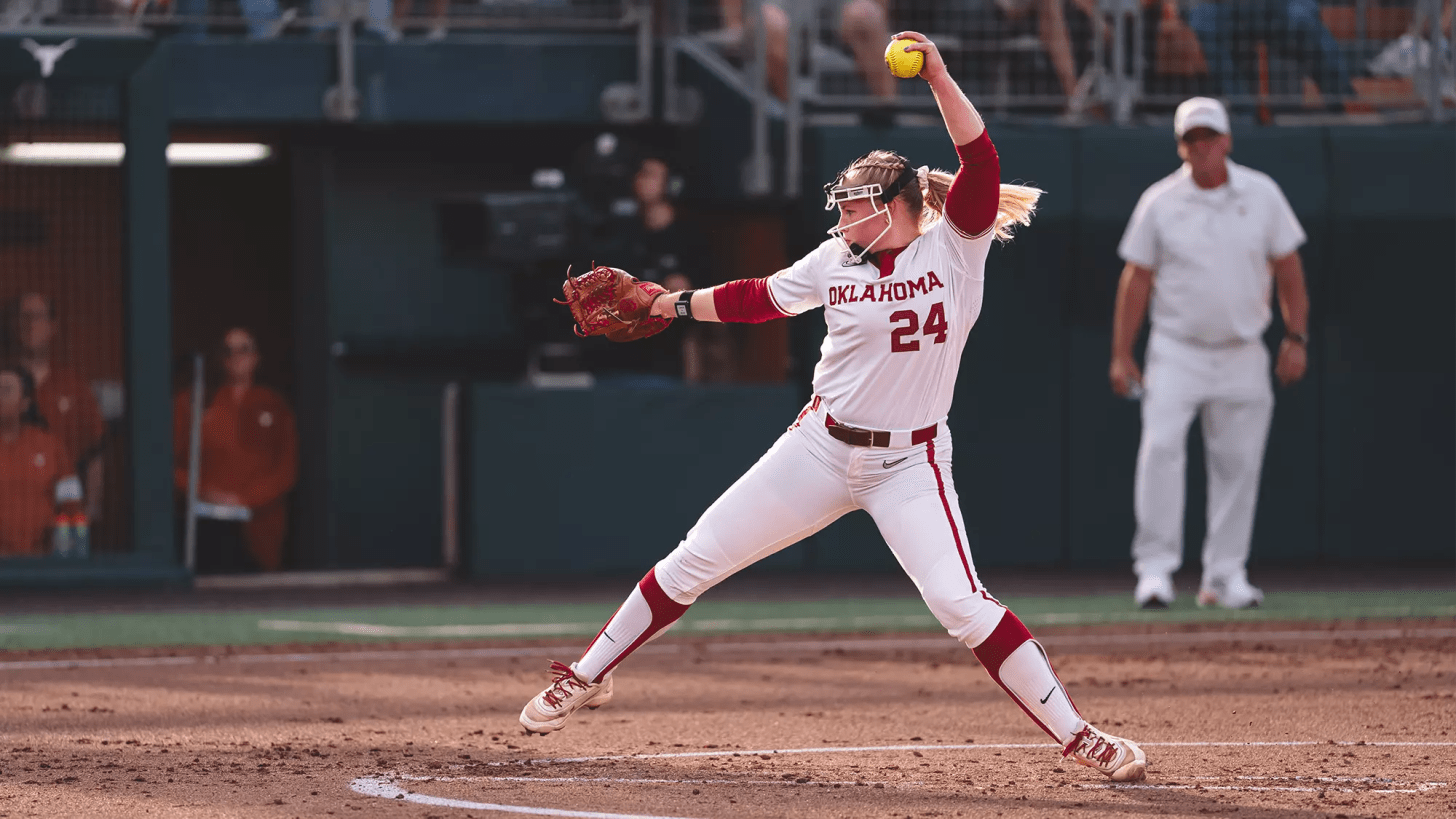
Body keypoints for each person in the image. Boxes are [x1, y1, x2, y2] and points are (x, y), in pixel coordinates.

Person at [519, 32, 1147, 784]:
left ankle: (1079, 735)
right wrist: (671, 303)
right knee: (695, 557)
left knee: (962, 604)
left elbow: (980, 162)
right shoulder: (834, 260)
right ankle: (588, 673)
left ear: (902, 208)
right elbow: (760, 298)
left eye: (857, 207)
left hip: (909, 462)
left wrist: (938, 74)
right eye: (842, 206)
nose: (844, 219)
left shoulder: (955, 246)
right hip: (819, 447)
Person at [1109, 96, 1309, 611]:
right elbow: (1137, 278)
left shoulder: (1262, 194)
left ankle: (1225, 575)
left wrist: (1296, 337)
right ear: (1181, 146)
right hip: (1176, 350)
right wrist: (1121, 353)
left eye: (1209, 137)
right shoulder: (1159, 201)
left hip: (1244, 350)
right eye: (1191, 139)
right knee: (1160, 452)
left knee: (1239, 463)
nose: (1201, 147)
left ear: (1227, 140)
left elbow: (1289, 268)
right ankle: (1155, 571)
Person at [172, 328, 298, 572]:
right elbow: (168, 464)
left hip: (259, 526)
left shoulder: (274, 405)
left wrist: (245, 500)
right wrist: (203, 491)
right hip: (206, 523)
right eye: (228, 351)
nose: (236, 357)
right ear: (219, 358)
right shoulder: (193, 402)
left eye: (244, 350)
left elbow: (287, 470)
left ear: (256, 357)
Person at [590, 156, 709, 384]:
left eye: (650, 175)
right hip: (621, 353)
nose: (641, 181)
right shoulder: (622, 235)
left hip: (668, 356)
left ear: (672, 184)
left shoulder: (689, 238)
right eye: (639, 175)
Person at [12, 292, 106, 531]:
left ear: (52, 327)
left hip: (63, 518)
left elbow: (95, 453)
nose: (30, 324)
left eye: (38, 316)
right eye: (24, 316)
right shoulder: (5, 383)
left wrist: (89, 512)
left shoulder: (74, 387)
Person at [1186, 0, 1354, 106]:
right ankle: (1243, 109)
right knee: (1202, 19)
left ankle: (1343, 101)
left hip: (1277, 6)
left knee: (1303, 15)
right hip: (1225, 7)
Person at [0, 362, 81, 557]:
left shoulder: (50, 446)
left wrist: (68, 555)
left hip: (43, 562)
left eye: (6, 390)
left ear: (25, 403)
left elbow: (72, 503)